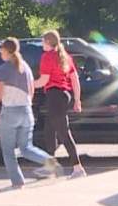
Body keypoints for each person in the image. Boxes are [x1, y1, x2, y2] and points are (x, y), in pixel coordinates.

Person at [0, 38, 61, 187]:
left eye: (1, 52)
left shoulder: (3, 69)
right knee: (26, 148)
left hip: (10, 112)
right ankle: (51, 162)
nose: (0, 54)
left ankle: (18, 182)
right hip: (26, 110)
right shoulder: (26, 67)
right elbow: (31, 90)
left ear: (6, 51)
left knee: (8, 151)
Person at [37, 29, 86, 179]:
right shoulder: (65, 57)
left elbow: (43, 80)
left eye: (42, 41)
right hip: (64, 95)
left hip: (54, 96)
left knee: (63, 132)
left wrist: (27, 85)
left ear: (48, 42)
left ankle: (78, 168)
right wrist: (77, 100)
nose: (41, 44)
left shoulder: (47, 57)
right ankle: (51, 167)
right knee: (49, 130)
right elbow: (75, 79)